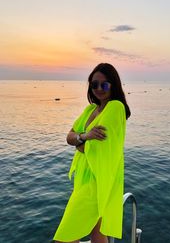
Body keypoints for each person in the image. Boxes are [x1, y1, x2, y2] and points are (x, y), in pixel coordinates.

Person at [53, 63, 131, 243]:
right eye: (94, 84)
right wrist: (86, 136)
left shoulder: (116, 107)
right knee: (98, 232)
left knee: (64, 238)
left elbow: (95, 147)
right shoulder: (90, 109)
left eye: (104, 84)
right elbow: (69, 136)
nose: (98, 89)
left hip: (97, 180)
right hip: (84, 178)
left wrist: (79, 141)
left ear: (113, 85)